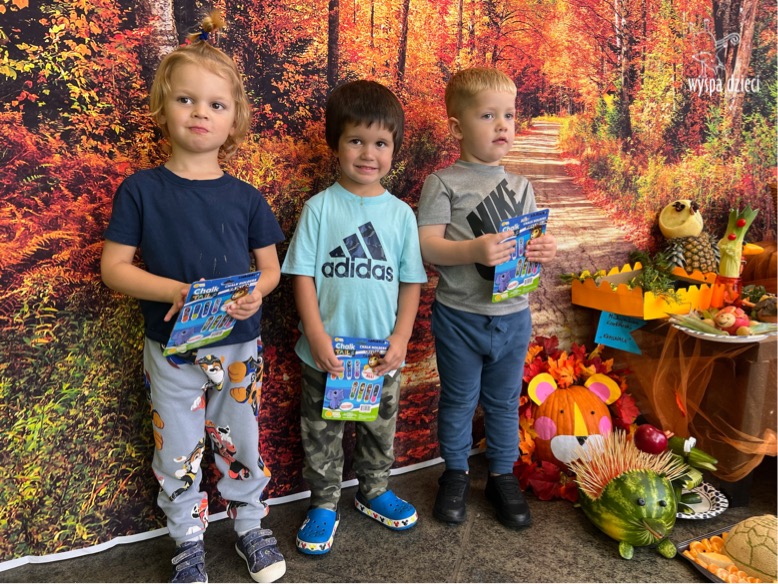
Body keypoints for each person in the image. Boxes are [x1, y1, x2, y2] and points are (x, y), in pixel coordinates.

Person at [101, 12, 286, 583]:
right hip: (171, 349)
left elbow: (270, 272)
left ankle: (250, 525)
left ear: (234, 120)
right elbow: (114, 269)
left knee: (241, 441)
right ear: (163, 109)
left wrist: (255, 296)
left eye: (215, 104)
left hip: (238, 347)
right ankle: (187, 540)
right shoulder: (141, 190)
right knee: (177, 449)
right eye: (186, 100)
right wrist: (177, 292)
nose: (200, 113)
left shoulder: (247, 198)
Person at [281, 80, 427, 555]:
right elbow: (301, 275)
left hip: (380, 356)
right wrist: (315, 334)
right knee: (321, 433)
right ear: (336, 143)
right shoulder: (319, 209)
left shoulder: (401, 215)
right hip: (327, 355)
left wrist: (401, 338)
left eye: (381, 143)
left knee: (379, 428)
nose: (368, 153)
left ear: (394, 149)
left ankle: (374, 489)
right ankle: (324, 502)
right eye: (356, 140)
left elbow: (411, 282)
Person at [416, 67, 558, 530]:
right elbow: (427, 246)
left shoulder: (522, 186)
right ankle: (455, 473)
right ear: (457, 127)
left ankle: (502, 475)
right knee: (459, 399)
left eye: (510, 116)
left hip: (513, 317)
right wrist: (473, 250)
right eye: (488, 115)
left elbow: (530, 247)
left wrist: (543, 251)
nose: (503, 125)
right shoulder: (443, 182)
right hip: (460, 315)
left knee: (503, 401)